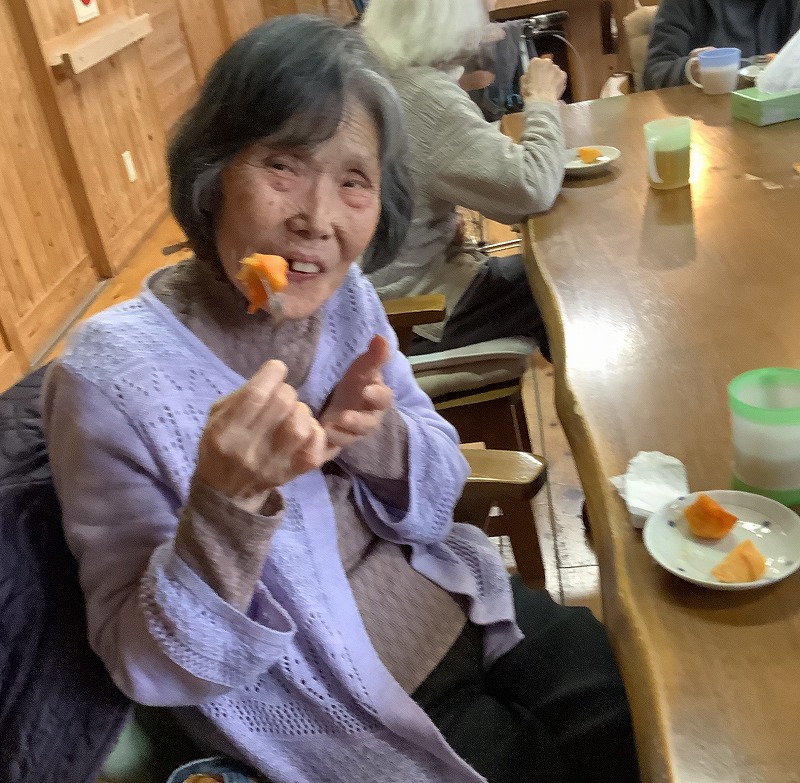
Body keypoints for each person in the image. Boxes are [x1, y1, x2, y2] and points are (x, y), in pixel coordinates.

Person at [42, 15, 639, 783]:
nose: (317, 219)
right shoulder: (108, 379)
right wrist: (223, 506)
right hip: (338, 714)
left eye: (354, 181)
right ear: (213, 172)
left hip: (463, 602)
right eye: (283, 165)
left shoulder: (344, 294)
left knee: (638, 708)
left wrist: (379, 436)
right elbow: (145, 664)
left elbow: (436, 497)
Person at [360, 0, 566, 360]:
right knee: (570, 280)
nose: (487, 13)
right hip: (415, 314)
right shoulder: (425, 95)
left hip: (378, 297)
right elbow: (533, 188)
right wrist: (542, 101)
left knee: (550, 270)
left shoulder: (373, 68)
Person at [643, 0, 800, 90]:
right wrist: (690, 70)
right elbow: (654, 72)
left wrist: (788, 69)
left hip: (778, 121)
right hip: (705, 124)